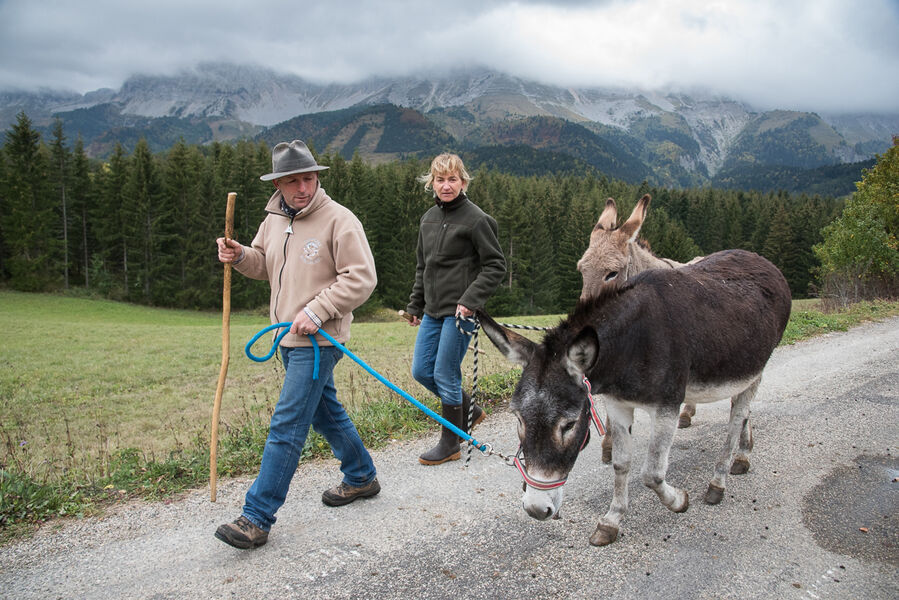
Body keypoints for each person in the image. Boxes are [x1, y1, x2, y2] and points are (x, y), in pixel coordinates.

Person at [214, 140, 380, 549]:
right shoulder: (273, 220)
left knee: (288, 424)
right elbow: (263, 264)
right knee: (324, 412)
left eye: (308, 178)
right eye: (293, 181)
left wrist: (319, 310)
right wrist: (238, 255)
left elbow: (361, 278)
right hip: (286, 337)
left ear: (317, 178)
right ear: (278, 185)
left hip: (321, 339)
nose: (303, 187)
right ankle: (361, 475)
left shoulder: (339, 220)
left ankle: (256, 516)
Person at [405, 153, 506, 465]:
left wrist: (470, 300)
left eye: (452, 179)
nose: (445, 185)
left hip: (461, 312)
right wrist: (415, 304)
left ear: (463, 182)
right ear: (431, 183)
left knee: (444, 372)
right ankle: (468, 411)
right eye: (439, 179)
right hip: (433, 310)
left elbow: (495, 266)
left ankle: (451, 442)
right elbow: (424, 267)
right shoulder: (428, 219)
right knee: (421, 370)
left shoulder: (477, 220)